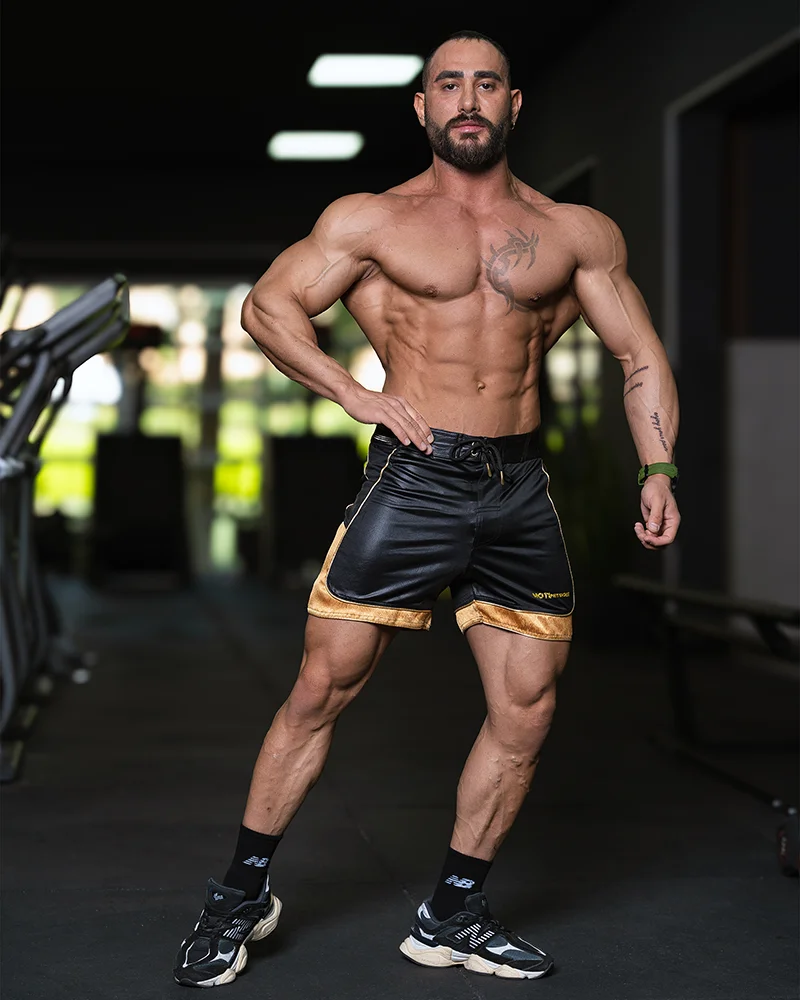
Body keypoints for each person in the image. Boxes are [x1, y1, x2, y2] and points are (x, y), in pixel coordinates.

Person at [173, 28, 681, 987]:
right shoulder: (371, 221)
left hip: (519, 488)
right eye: (449, 84)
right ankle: (240, 895)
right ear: (423, 106)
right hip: (415, 478)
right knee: (322, 689)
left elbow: (639, 355)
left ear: (513, 104)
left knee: (527, 708)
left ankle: (452, 913)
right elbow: (268, 308)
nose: (469, 98)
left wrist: (658, 466)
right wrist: (352, 393)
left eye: (487, 84)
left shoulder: (577, 232)